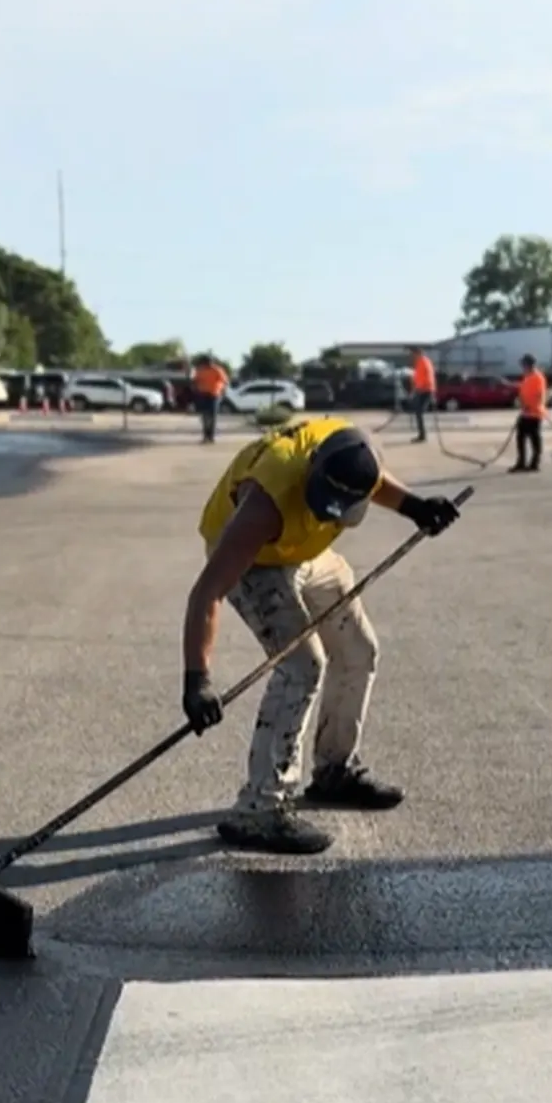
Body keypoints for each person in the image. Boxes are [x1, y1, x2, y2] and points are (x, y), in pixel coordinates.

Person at [182, 416, 461, 854]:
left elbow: (373, 479)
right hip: (255, 560)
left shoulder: (352, 457)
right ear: (311, 470)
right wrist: (197, 679)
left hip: (307, 553)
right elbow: (208, 590)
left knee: (358, 649)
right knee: (302, 665)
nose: (323, 512)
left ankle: (334, 770)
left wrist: (416, 507)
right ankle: (258, 811)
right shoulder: (266, 501)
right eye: (319, 502)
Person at [510, 354, 547, 472]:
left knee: (534, 439)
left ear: (529, 365)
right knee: (520, 438)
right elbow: (524, 391)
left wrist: (530, 406)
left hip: (534, 414)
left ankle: (534, 464)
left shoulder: (537, 377)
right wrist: (521, 402)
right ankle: (521, 462)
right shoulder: (527, 377)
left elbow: (539, 395)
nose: (522, 367)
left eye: (524, 364)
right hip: (525, 413)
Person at [192, 354, 229, 443]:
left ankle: (211, 436)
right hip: (203, 394)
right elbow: (195, 380)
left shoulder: (217, 370)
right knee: (205, 416)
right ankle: (205, 436)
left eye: (210, 362)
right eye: (206, 362)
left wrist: (223, 390)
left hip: (214, 395)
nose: (208, 364)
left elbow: (224, 381)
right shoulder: (200, 370)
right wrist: (196, 387)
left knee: (212, 416)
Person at [409, 347, 436, 444]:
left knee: (419, 412)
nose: (412, 356)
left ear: (418, 353)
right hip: (422, 390)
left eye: (413, 354)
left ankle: (422, 435)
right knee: (418, 412)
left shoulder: (423, 362)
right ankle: (421, 434)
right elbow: (418, 377)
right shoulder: (420, 362)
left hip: (425, 390)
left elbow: (427, 377)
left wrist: (418, 389)